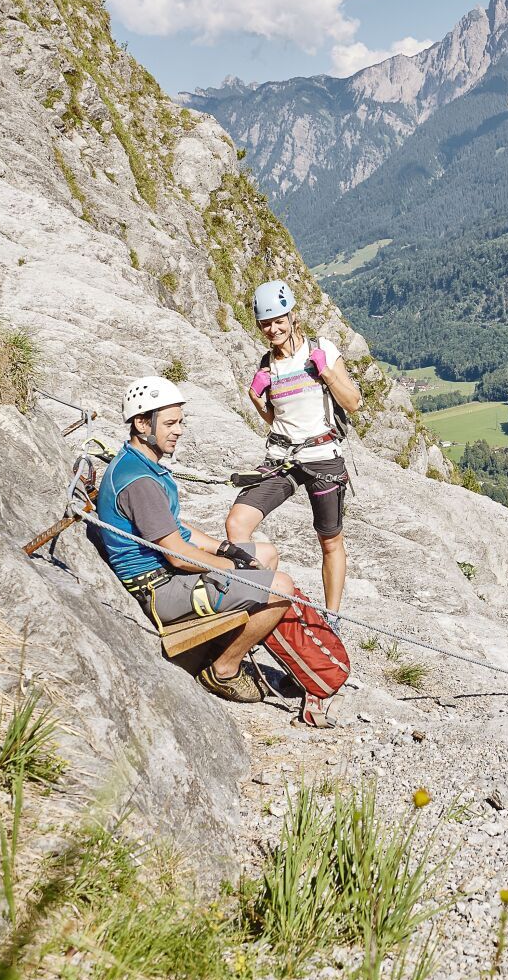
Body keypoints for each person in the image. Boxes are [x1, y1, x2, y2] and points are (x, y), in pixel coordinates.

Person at [90, 374, 296, 704]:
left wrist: (226, 548)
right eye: (170, 423)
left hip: (167, 576)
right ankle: (223, 670)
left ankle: (217, 643)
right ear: (143, 424)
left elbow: (175, 529)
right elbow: (176, 555)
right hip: (159, 589)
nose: (179, 431)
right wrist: (230, 567)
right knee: (280, 588)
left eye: (180, 422)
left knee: (266, 554)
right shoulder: (139, 481)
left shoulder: (142, 465)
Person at [225, 279, 363, 625]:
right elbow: (275, 418)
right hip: (282, 459)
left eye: (278, 320)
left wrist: (326, 372)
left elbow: (354, 402)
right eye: (265, 323)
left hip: (321, 456)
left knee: (330, 540)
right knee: (237, 522)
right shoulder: (266, 364)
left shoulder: (322, 350)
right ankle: (258, 598)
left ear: (292, 317)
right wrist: (257, 401)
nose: (272, 329)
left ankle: (331, 616)